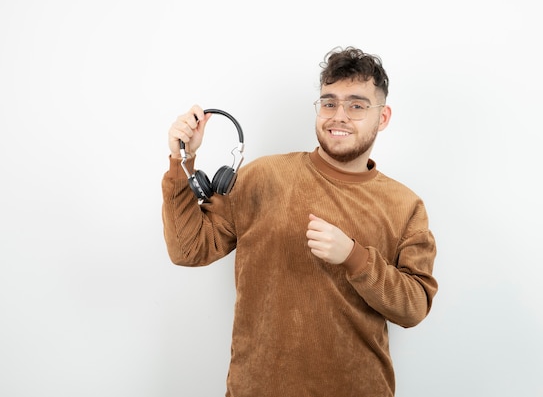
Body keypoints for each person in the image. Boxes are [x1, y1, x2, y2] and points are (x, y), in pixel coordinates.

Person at [162, 46, 438, 397]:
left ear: (382, 118)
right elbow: (188, 250)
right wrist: (181, 158)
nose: (339, 115)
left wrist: (355, 257)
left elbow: (413, 307)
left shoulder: (405, 205)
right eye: (329, 103)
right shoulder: (262, 176)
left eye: (356, 105)